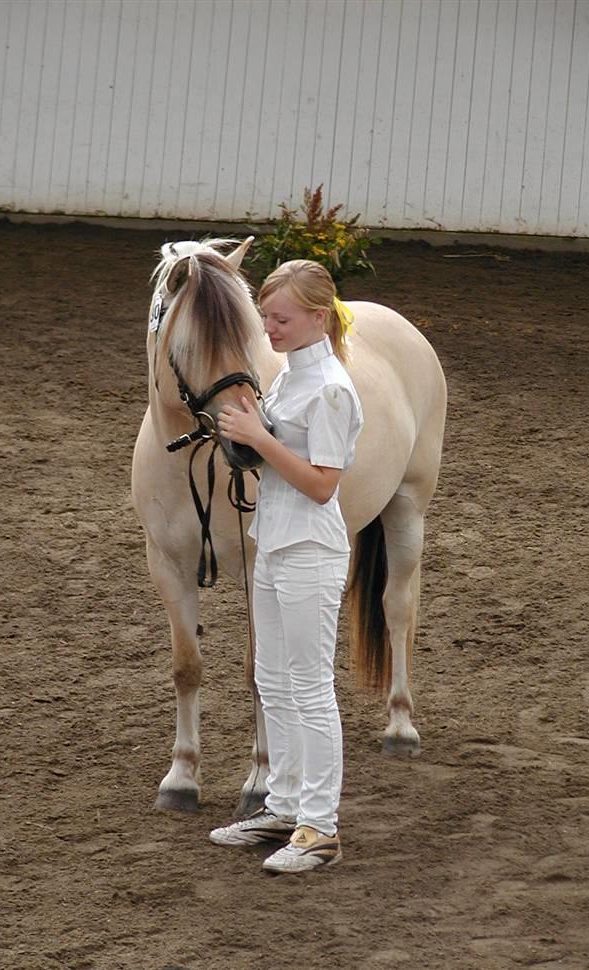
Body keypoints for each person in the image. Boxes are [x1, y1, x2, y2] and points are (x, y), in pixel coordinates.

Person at [210, 259, 364, 874]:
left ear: (317, 318)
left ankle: (319, 827)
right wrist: (249, 427)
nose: (269, 328)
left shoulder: (330, 387)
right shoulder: (288, 380)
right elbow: (272, 461)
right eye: (266, 317)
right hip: (273, 542)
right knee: (272, 680)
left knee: (308, 685)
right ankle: (284, 806)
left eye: (281, 318)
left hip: (309, 548)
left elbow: (323, 485)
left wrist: (261, 435)